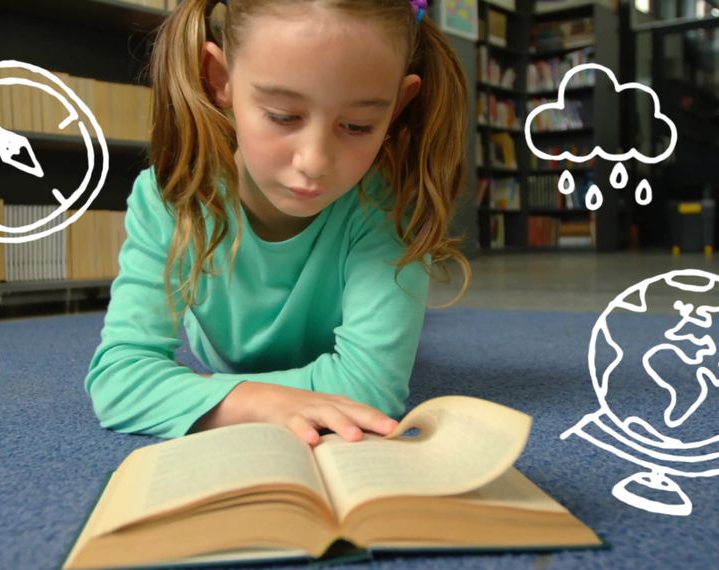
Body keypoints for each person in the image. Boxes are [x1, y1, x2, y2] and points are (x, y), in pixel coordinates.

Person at [85, 0, 470, 445]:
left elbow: (371, 388)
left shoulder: (389, 204)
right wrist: (261, 402)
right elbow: (120, 380)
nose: (314, 163)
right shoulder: (167, 197)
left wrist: (205, 394)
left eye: (359, 125)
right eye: (283, 116)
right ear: (221, 80)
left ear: (398, 105)